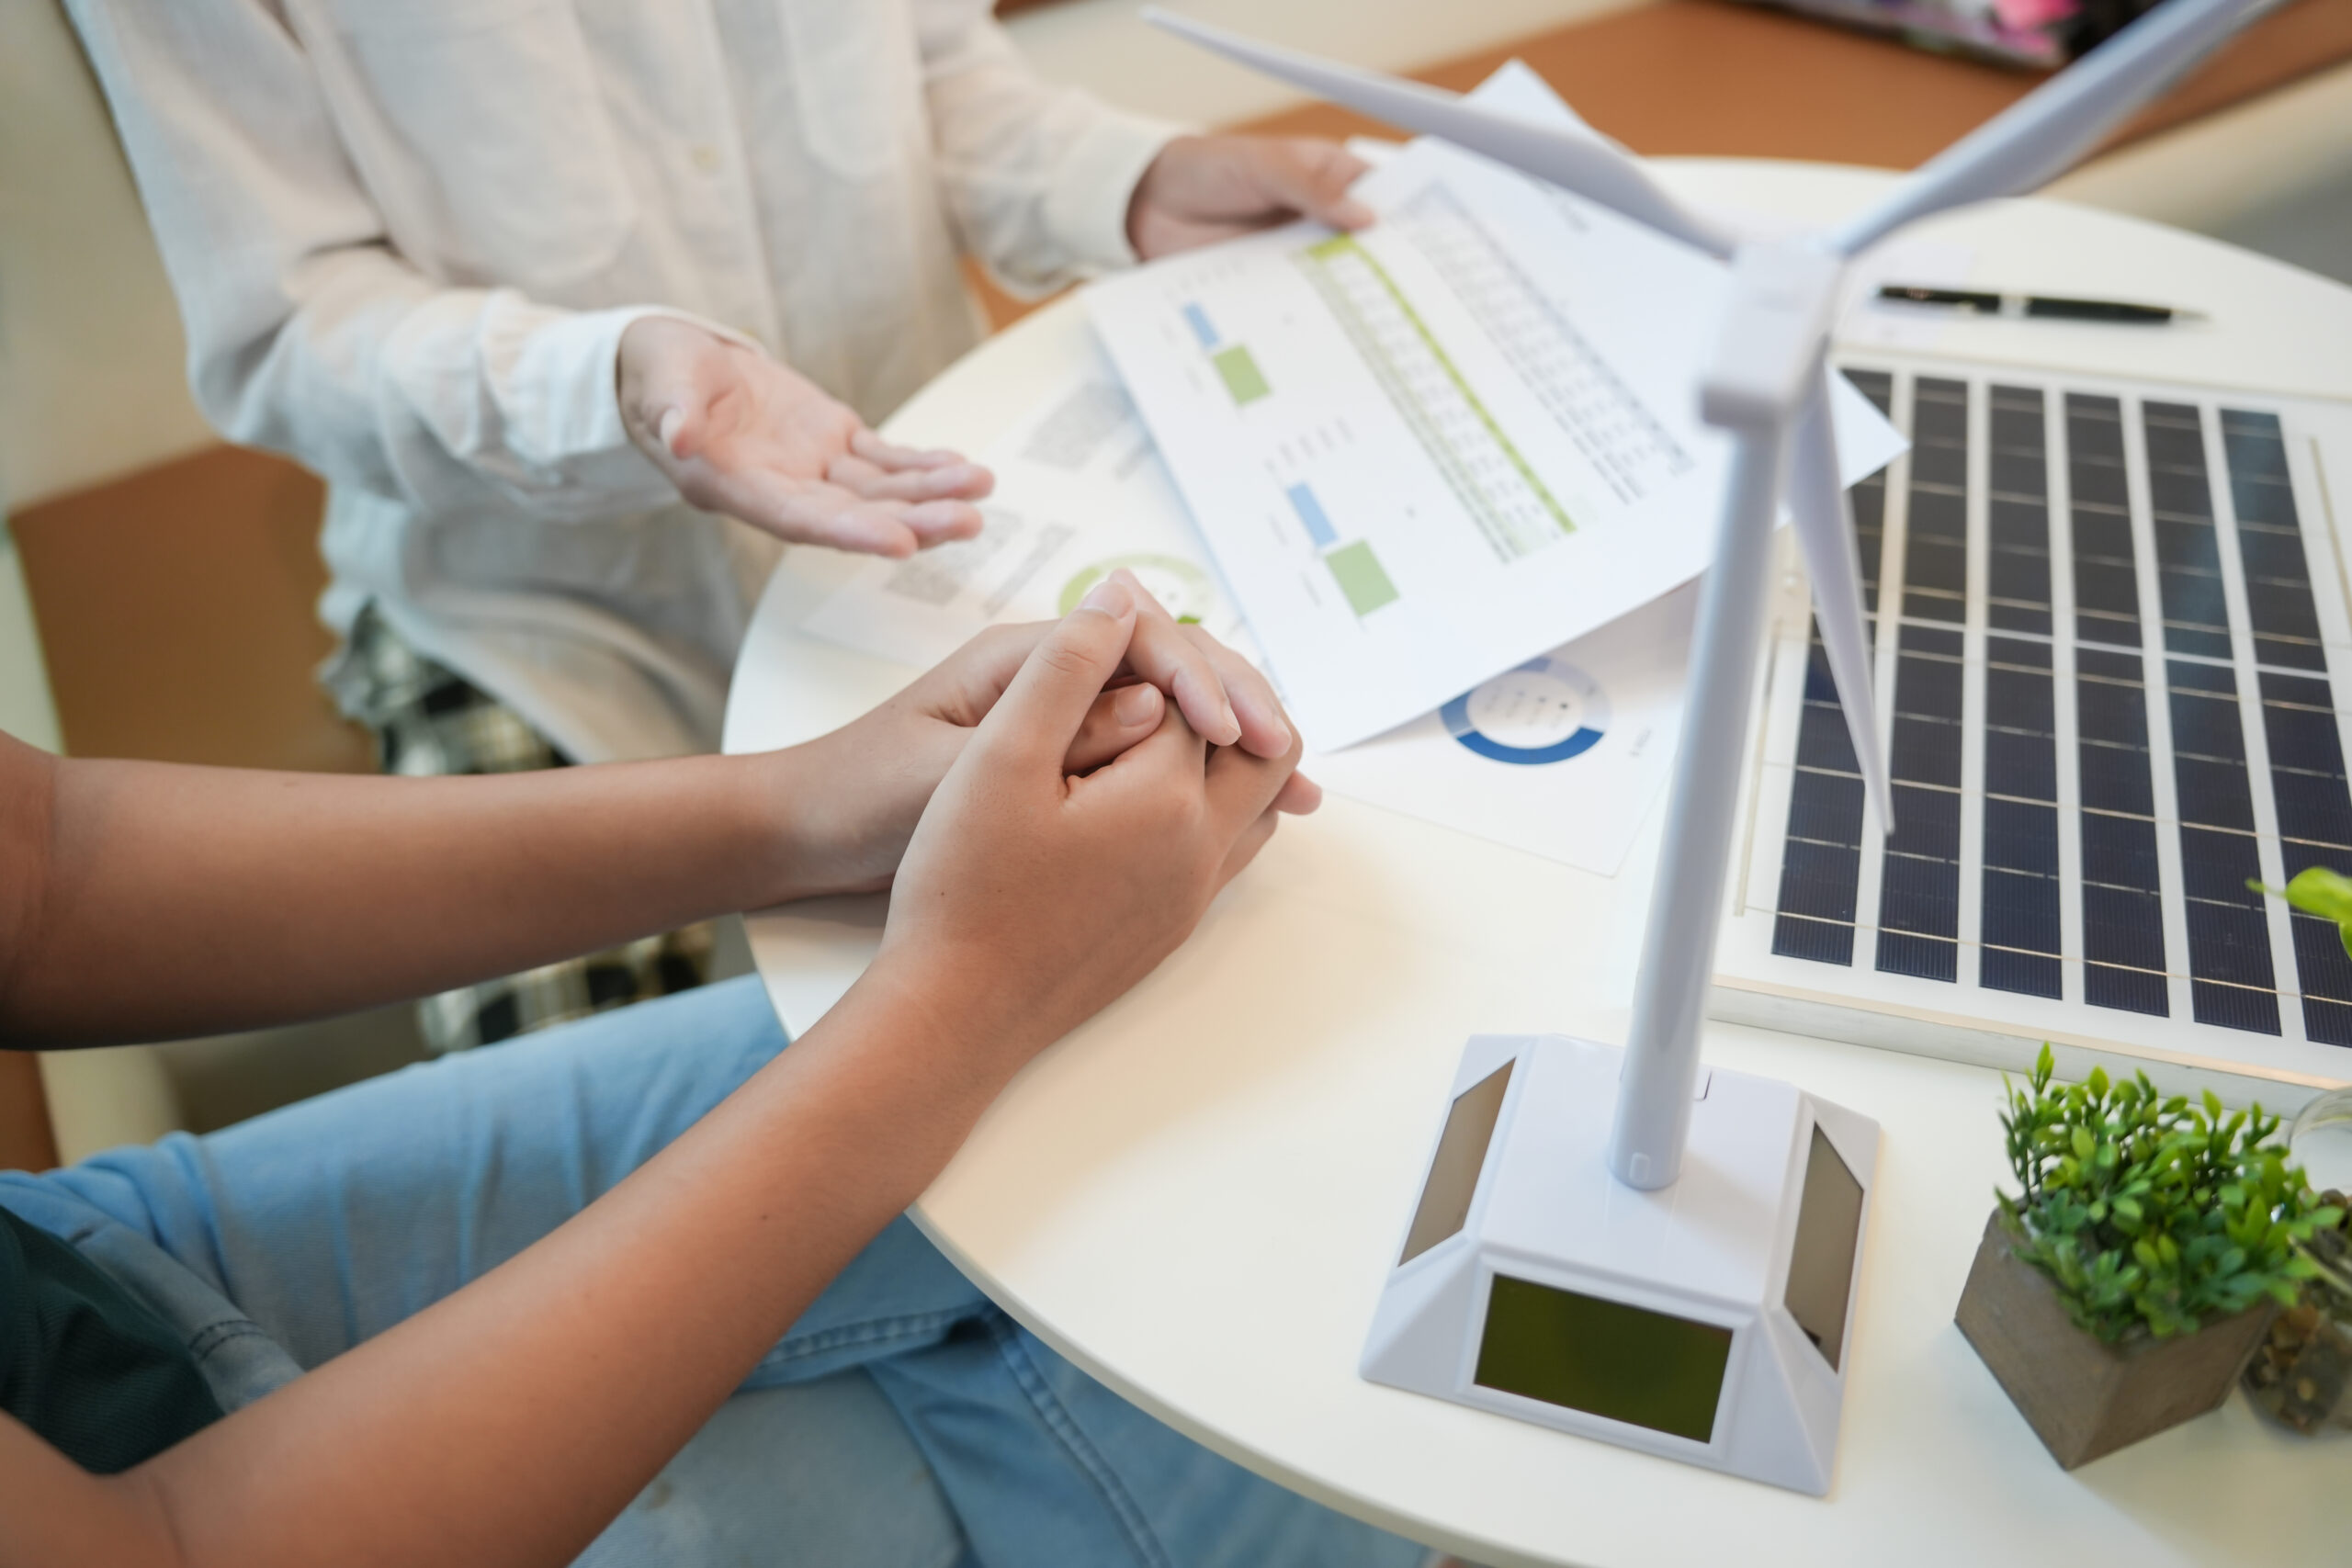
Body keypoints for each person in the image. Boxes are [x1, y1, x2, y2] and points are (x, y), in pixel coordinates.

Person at [0, 580, 1430, 1567]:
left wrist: (801, 805)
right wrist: (968, 995)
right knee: (1280, 1365)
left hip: (76, 1273)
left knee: (1190, 1096)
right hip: (192, 1527)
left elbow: (45, 871)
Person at [64, 0, 1375, 1051]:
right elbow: (286, 327)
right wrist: (608, 383)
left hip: (932, 537)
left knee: (1199, 998)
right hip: (548, 632)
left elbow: (938, 82)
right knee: (601, 1137)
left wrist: (1127, 181)